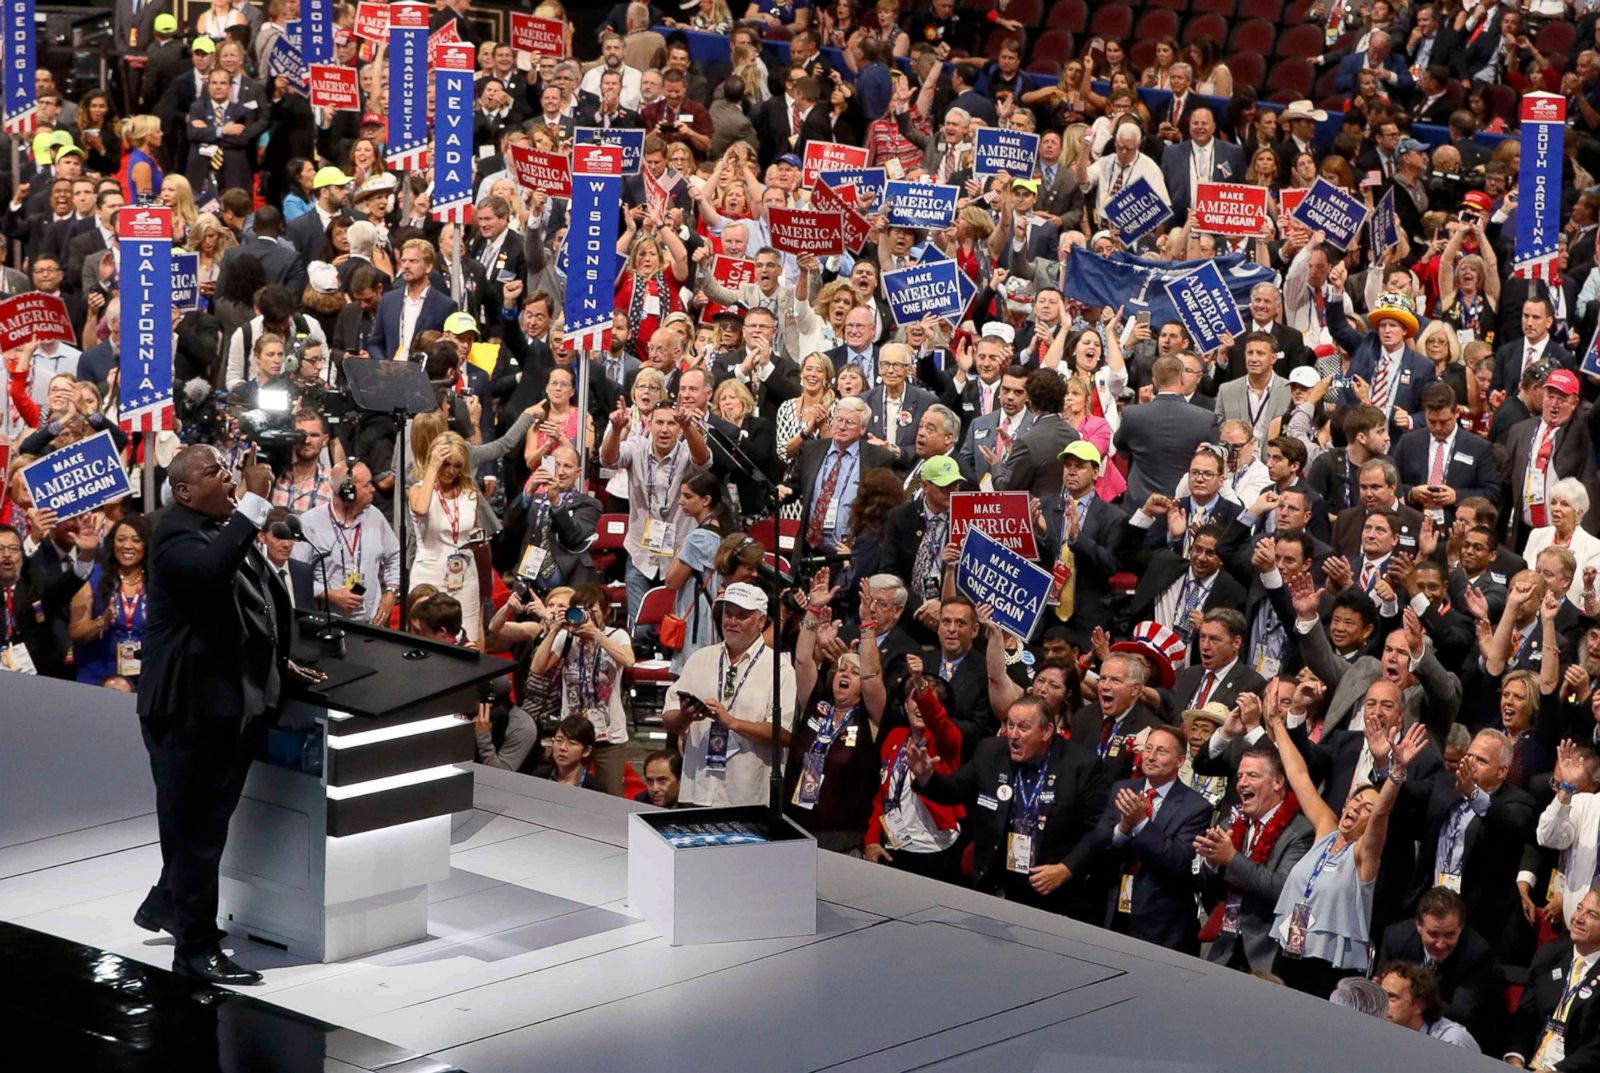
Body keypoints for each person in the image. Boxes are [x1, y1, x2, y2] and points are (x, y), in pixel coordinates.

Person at [133, 444, 326, 985]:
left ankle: (169, 904)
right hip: (187, 708)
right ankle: (195, 948)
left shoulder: (217, 527)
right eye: (217, 473)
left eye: (228, 469)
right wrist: (257, 501)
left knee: (206, 823)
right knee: (194, 830)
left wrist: (278, 663)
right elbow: (210, 576)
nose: (230, 478)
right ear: (187, 491)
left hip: (226, 704)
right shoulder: (174, 532)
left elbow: (248, 606)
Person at [905, 693, 1106, 915]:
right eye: (1010, 725)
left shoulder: (1081, 765)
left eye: (1023, 727)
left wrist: (1067, 868)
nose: (1013, 735)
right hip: (998, 883)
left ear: (1047, 731)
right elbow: (955, 790)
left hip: (1052, 888)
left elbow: (1098, 829)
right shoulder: (991, 752)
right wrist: (926, 777)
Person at [1082, 724, 1213, 953]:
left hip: (1163, 923)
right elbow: (1098, 841)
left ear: (1180, 761)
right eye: (1148, 748)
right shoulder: (1123, 789)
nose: (1150, 756)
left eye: (1161, 751)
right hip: (1113, 911)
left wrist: (1141, 823)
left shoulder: (1196, 807)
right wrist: (1123, 827)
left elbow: (1178, 859)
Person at [663, 582, 796, 807]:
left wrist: (732, 723)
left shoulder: (779, 668)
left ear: (761, 621)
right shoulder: (700, 659)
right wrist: (685, 715)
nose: (731, 622)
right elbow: (668, 720)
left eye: (742, 616)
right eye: (728, 614)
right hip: (696, 792)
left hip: (746, 797)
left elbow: (784, 734)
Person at [529, 584, 634, 794]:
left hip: (609, 734)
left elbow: (628, 660)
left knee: (611, 796)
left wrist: (597, 635)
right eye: (580, 610)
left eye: (592, 611)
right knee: (568, 792)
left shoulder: (617, 635)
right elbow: (537, 668)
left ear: (605, 612)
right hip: (573, 733)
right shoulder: (567, 638)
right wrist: (554, 630)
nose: (586, 617)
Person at [408, 432, 484, 647]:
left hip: (464, 573)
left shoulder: (470, 494)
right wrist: (432, 467)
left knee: (468, 637)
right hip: (429, 573)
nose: (451, 471)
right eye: (446, 464)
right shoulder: (417, 490)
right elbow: (421, 509)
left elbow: (469, 531)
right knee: (425, 639)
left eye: (457, 466)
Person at [68, 514, 151, 686]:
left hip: (145, 679)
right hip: (97, 677)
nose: (127, 546)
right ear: (113, 543)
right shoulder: (92, 577)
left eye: (136, 540)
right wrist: (102, 622)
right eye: (121, 539)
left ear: (146, 545)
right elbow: (76, 632)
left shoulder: (157, 582)